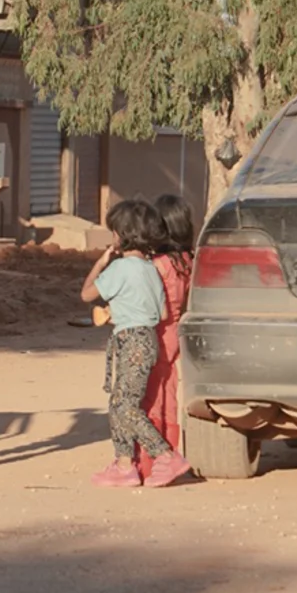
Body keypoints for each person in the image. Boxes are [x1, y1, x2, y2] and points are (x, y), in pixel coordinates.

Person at [80, 199, 192, 489]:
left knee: (126, 405)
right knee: (119, 403)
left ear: (122, 235)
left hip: (129, 340)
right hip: (149, 338)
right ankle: (124, 464)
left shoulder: (120, 269)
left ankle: (164, 454)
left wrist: (101, 263)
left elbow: (87, 294)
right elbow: (163, 313)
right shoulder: (151, 269)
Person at [138, 194, 195, 479]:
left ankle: (151, 460)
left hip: (157, 334)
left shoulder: (157, 265)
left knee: (150, 397)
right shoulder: (188, 260)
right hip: (177, 332)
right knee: (169, 395)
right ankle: (171, 453)